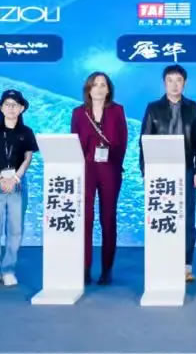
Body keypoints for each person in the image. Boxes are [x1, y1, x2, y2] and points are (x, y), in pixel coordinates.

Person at [139, 64, 196, 283]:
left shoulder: (193, 108)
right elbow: (144, 142)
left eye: (178, 80)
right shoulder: (153, 108)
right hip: (160, 173)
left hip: (186, 170)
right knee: (162, 217)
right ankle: (162, 262)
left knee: (187, 219)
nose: (174, 84)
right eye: (170, 80)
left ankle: (186, 266)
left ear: (184, 83)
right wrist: (146, 172)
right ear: (164, 83)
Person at [71, 71, 128, 285]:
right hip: (86, 169)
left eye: (103, 85)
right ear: (88, 89)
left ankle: (107, 269)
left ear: (109, 89)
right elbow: (74, 142)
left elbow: (122, 141)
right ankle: (85, 268)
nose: (99, 88)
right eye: (95, 84)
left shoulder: (117, 110)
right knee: (85, 218)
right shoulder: (78, 113)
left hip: (110, 169)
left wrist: (115, 164)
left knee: (108, 218)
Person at [0, 90, 38, 288]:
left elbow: (28, 158)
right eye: (7, 104)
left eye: (15, 105)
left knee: (15, 229)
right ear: (1, 108)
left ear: (22, 108)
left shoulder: (26, 132)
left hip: (18, 183)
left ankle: (9, 269)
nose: (11, 108)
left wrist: (16, 178)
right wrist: (0, 178)